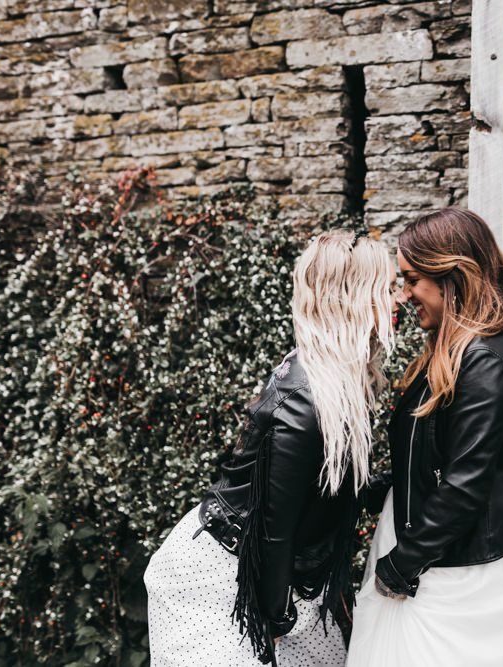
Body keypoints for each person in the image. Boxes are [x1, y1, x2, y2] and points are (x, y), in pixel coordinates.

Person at [144, 229, 401, 666]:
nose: (399, 300)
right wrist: (278, 618)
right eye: (388, 288)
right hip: (224, 579)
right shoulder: (307, 396)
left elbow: (335, 490)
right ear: (355, 296)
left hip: (280, 578)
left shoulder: (339, 380)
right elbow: (273, 529)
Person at [347, 206, 503, 667]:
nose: (406, 293)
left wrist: (401, 566)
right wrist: (373, 491)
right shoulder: (450, 351)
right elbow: (430, 454)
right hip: (421, 552)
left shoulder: (486, 359)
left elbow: (466, 481)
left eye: (413, 279)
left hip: (451, 577)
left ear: (450, 276)